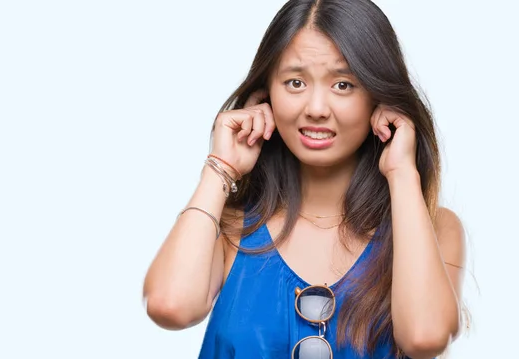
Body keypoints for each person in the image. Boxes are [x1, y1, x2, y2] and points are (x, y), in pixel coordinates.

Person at [143, 0, 466, 358]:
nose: (315, 107)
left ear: (378, 96)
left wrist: (403, 175)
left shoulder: (434, 228)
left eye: (343, 85)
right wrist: (220, 166)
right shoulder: (229, 225)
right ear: (266, 94)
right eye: (295, 82)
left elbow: (425, 337)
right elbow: (169, 306)